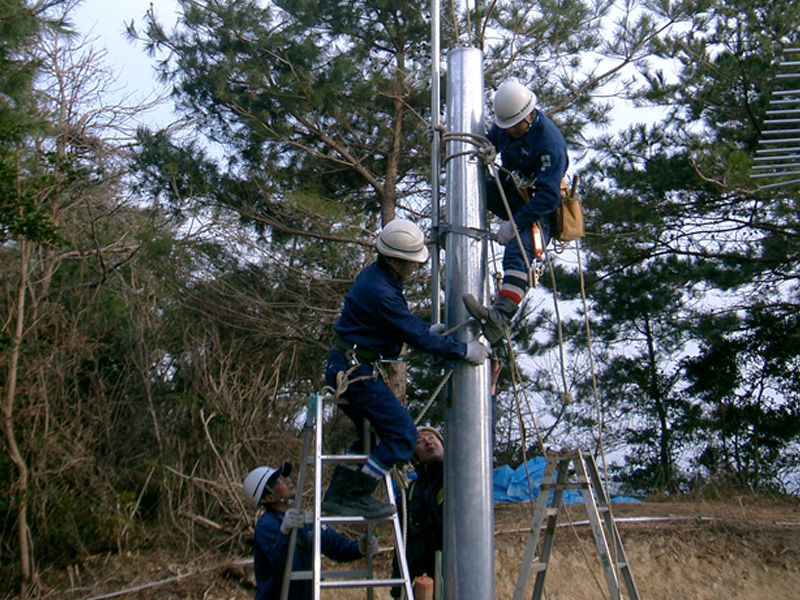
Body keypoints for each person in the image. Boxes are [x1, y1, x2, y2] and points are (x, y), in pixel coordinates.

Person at [322, 219, 490, 520]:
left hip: (350, 366)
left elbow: (399, 327)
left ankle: (337, 495)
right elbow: (410, 332)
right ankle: (358, 494)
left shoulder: (380, 280)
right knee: (402, 436)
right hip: (356, 373)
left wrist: (426, 331)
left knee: (371, 437)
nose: (414, 269)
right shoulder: (381, 291)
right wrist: (463, 350)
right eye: (411, 263)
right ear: (395, 260)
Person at [463, 80, 569, 344]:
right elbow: (492, 142)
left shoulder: (549, 144)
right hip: (509, 192)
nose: (509, 132)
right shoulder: (507, 126)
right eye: (505, 127)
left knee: (518, 251)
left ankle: (500, 317)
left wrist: (515, 224)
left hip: (536, 209)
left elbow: (548, 197)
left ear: (530, 115)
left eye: (514, 127)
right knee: (475, 189)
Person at [243, 461, 379, 600]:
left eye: (285, 478)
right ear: (269, 497)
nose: (288, 481)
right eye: (279, 482)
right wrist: (285, 533)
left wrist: (359, 548)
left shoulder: (305, 520)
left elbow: (335, 546)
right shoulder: (266, 525)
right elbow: (280, 564)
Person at [390, 426, 445, 597]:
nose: (429, 441)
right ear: (414, 456)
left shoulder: (456, 476)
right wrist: (397, 585)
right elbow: (403, 541)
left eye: (433, 437)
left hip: (456, 569)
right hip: (424, 579)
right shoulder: (411, 493)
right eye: (420, 441)